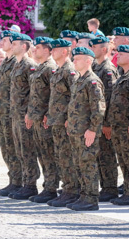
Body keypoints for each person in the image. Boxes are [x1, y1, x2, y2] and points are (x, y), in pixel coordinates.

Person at [66, 46, 106, 211]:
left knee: (88, 164)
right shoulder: (79, 80)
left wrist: (93, 129)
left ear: (88, 61)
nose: (74, 61)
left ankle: (91, 198)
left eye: (77, 59)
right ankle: (83, 195)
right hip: (76, 130)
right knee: (79, 163)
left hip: (87, 131)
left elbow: (99, 108)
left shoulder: (92, 81)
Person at [105, 44, 129, 206]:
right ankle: (127, 190)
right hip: (119, 126)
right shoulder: (122, 75)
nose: (118, 56)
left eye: (122, 54)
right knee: (124, 160)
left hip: (128, 127)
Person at [45, 39, 80, 207]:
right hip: (56, 120)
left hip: (65, 121)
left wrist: (69, 118)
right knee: (61, 156)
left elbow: (75, 96)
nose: (52, 51)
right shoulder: (59, 70)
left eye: (55, 49)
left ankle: (72, 191)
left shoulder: (69, 70)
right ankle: (67, 188)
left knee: (67, 157)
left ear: (65, 52)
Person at [26, 37, 59, 203]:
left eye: (37, 47)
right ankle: (47, 186)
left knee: (48, 154)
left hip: (45, 118)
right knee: (42, 153)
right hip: (37, 118)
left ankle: (51, 187)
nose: (34, 50)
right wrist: (30, 114)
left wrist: (48, 113)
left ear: (47, 50)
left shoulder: (50, 68)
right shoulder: (40, 67)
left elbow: (54, 94)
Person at [8, 33, 40, 200]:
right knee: (20, 149)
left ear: (24, 46)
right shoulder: (17, 64)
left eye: (15, 43)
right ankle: (21, 182)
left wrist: (30, 113)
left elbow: (34, 92)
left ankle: (30, 184)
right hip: (16, 114)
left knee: (27, 150)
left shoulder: (29, 65)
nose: (12, 46)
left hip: (25, 115)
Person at [90, 36, 120, 202]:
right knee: (100, 154)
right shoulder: (95, 66)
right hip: (98, 120)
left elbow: (110, 98)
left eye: (95, 47)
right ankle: (105, 185)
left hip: (105, 121)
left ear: (104, 49)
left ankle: (110, 187)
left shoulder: (108, 69)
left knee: (107, 154)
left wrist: (107, 123)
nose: (92, 49)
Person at [0, 31, 23, 197]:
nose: (1, 43)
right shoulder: (6, 62)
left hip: (13, 113)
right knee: (6, 149)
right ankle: (13, 180)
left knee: (15, 149)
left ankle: (20, 181)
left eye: (5, 40)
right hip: (3, 111)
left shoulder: (17, 63)